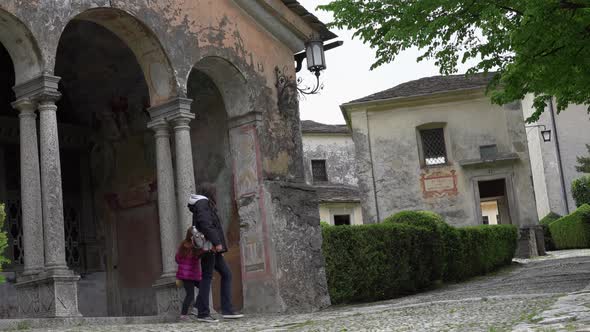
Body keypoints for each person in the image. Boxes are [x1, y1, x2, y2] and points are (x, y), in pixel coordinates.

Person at [188, 183, 244, 322]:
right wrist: (217, 243)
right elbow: (206, 224)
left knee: (226, 274)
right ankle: (203, 313)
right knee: (207, 277)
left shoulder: (202, 204)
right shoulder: (203, 203)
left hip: (211, 248)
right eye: (214, 192)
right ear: (210, 193)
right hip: (209, 247)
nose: (216, 195)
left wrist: (220, 249)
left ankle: (225, 309)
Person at [175, 227, 202, 322]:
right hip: (190, 275)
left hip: (186, 275)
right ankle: (184, 315)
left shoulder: (183, 244)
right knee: (191, 294)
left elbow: (177, 259)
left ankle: (195, 309)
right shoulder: (195, 245)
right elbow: (197, 257)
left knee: (199, 290)